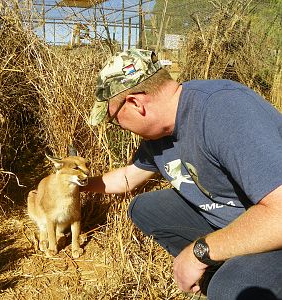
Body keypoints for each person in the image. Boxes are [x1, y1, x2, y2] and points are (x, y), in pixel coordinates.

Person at [86, 48, 282, 299]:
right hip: (232, 218)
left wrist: (199, 252)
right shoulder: (159, 135)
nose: (120, 128)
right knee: (145, 207)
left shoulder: (223, 109)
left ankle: (230, 277)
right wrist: (76, 185)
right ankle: (220, 269)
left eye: (114, 119)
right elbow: (128, 177)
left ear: (135, 103)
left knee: (231, 287)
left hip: (271, 227)